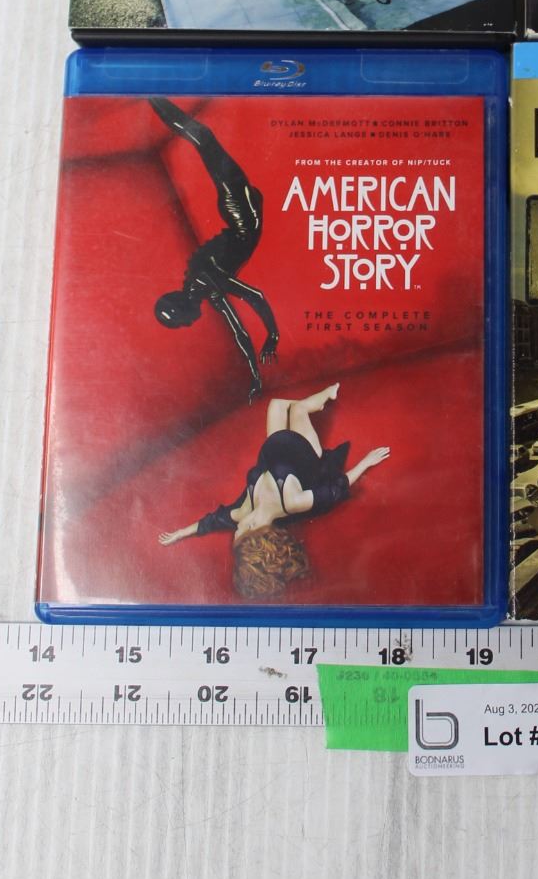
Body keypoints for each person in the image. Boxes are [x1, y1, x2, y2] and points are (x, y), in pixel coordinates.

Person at [158, 384, 390, 600]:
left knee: (277, 404)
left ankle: (315, 403)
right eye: (237, 537)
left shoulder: (244, 512)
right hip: (305, 452)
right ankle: (326, 396)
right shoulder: (291, 503)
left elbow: (213, 521)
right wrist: (365, 463)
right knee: (298, 409)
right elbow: (334, 490)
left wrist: (181, 533)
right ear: (252, 532)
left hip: (275, 446)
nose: (234, 533)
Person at [148, 95, 279, 400]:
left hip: (240, 215)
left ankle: (149, 95)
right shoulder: (209, 290)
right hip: (244, 217)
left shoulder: (206, 280)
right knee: (204, 140)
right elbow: (239, 331)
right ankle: (149, 96)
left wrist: (273, 335)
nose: (186, 325)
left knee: (204, 139)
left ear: (182, 309)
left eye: (180, 322)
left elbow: (255, 296)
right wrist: (255, 377)